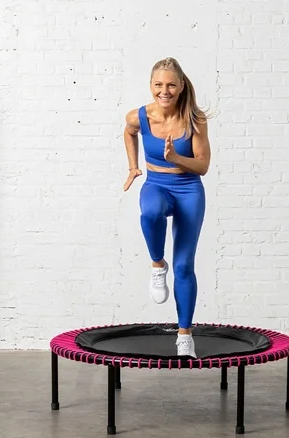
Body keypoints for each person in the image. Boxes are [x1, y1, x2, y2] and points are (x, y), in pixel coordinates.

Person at [122, 57, 212, 358]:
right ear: (150, 86)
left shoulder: (195, 119)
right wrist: (133, 166)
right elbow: (128, 131)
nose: (165, 90)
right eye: (159, 84)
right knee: (150, 211)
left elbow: (203, 165)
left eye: (171, 84)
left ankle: (185, 335)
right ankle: (158, 265)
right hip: (156, 185)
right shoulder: (140, 116)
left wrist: (176, 159)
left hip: (188, 189)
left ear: (181, 85)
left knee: (185, 266)